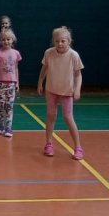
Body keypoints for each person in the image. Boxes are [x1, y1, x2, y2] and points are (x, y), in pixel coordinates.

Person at [37, 26, 85, 159]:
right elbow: (44, 68)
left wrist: (77, 89)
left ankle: (78, 147)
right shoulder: (49, 53)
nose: (60, 44)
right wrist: (40, 82)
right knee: (51, 115)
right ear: (53, 41)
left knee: (68, 117)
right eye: (57, 41)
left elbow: (78, 75)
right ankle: (48, 144)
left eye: (63, 41)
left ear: (69, 41)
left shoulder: (74, 55)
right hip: (51, 90)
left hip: (67, 92)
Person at [0, 29, 22, 137]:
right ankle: (0, 126)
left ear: (12, 40)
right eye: (3, 39)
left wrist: (17, 83)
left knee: (9, 106)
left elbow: (16, 69)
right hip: (0, 83)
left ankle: (8, 128)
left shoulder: (16, 53)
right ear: (0, 41)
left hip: (11, 84)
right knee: (0, 105)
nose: (6, 41)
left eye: (8, 39)